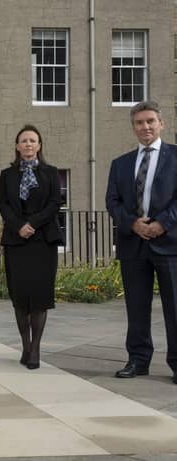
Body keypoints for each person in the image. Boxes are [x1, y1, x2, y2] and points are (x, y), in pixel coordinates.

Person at [106, 100, 177, 384]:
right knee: (136, 308)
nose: (145, 127)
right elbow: (112, 201)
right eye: (139, 122)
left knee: (174, 308)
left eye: (150, 121)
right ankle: (138, 360)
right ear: (133, 127)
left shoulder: (175, 157)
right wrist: (133, 224)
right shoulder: (120, 164)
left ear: (161, 124)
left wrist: (162, 224)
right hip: (133, 244)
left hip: (170, 244)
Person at [0, 125, 62, 370]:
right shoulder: (7, 175)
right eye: (23, 141)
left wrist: (32, 224)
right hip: (16, 241)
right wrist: (18, 226)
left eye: (32, 140)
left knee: (40, 297)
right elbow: (3, 205)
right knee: (20, 298)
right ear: (17, 146)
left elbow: (55, 202)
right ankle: (25, 345)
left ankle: (36, 349)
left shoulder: (51, 172)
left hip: (43, 241)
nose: (28, 144)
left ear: (39, 145)